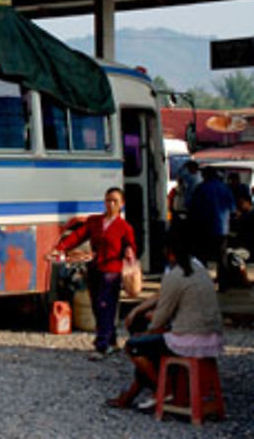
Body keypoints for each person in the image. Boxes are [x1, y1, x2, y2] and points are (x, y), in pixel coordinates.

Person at [105, 226, 224, 411]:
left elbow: (160, 318)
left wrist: (148, 325)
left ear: (168, 251)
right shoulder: (198, 268)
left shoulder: (175, 274)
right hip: (213, 337)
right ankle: (131, 397)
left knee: (135, 346)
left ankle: (163, 390)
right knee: (148, 343)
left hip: (189, 340)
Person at [53, 187, 137, 360]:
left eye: (114, 201)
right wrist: (60, 247)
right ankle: (111, 341)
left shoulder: (124, 227)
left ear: (122, 204)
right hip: (95, 269)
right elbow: (78, 236)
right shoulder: (94, 221)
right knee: (97, 307)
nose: (110, 204)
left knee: (105, 305)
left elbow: (131, 245)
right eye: (108, 200)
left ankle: (102, 345)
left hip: (112, 271)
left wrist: (129, 251)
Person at [189, 167, 234, 275]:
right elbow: (232, 208)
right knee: (221, 256)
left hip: (204, 228)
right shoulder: (225, 188)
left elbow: (192, 207)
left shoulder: (201, 188)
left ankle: (203, 280)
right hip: (222, 228)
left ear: (205, 175)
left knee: (202, 256)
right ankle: (223, 283)